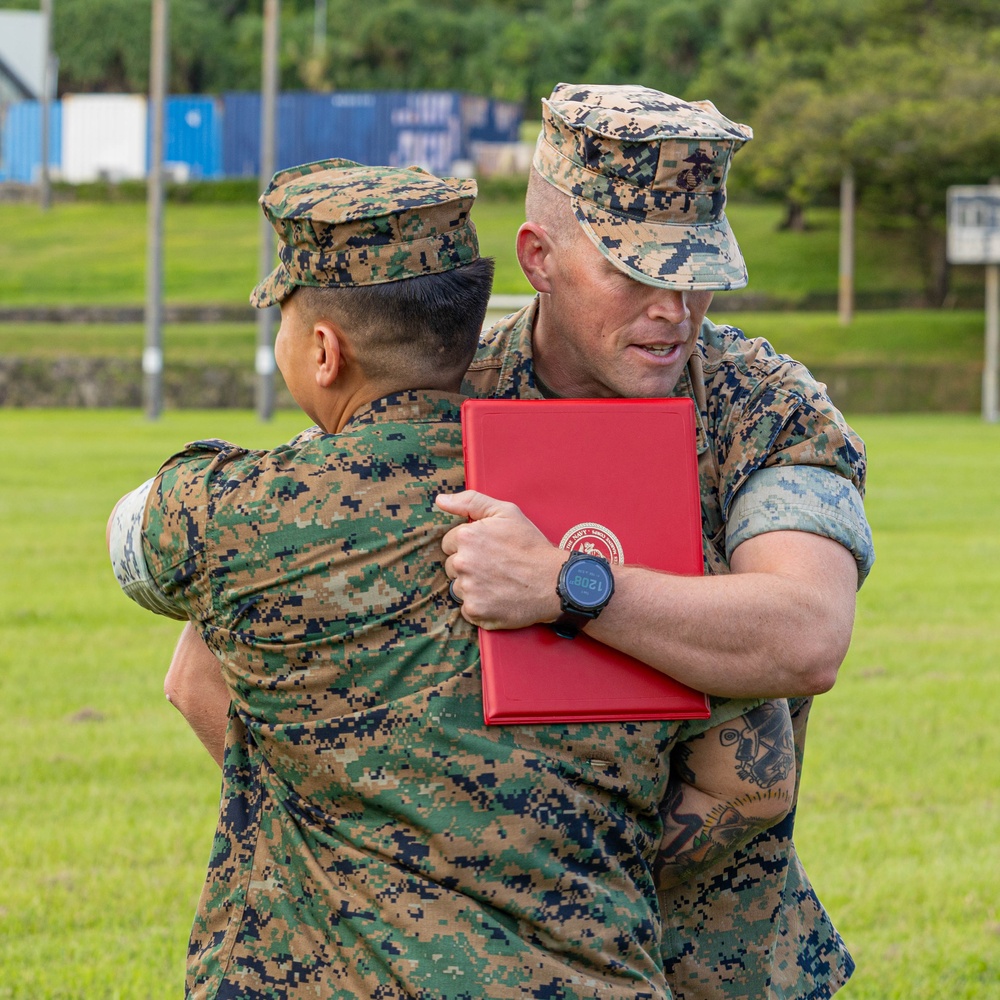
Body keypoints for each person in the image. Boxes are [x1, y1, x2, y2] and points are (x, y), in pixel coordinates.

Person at [108, 157, 799, 999]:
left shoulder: (236, 515)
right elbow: (752, 780)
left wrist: (356, 830)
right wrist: (561, 867)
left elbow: (148, 582)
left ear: (323, 350)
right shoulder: (613, 524)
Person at [436, 83, 876, 1000]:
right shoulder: (437, 399)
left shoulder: (763, 405)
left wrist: (565, 585)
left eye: (696, 268)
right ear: (539, 257)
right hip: (482, 958)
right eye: (635, 270)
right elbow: (227, 661)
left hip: (718, 966)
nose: (675, 307)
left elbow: (805, 633)